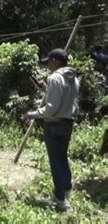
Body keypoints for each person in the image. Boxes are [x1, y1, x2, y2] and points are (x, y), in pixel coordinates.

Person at [24, 48, 80, 211]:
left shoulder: (55, 78)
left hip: (54, 124)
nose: (48, 65)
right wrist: (46, 89)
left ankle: (60, 201)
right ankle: (66, 190)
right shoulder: (73, 79)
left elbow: (51, 109)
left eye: (49, 61)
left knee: (55, 161)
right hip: (67, 123)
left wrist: (32, 114)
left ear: (55, 61)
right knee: (62, 158)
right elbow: (66, 101)